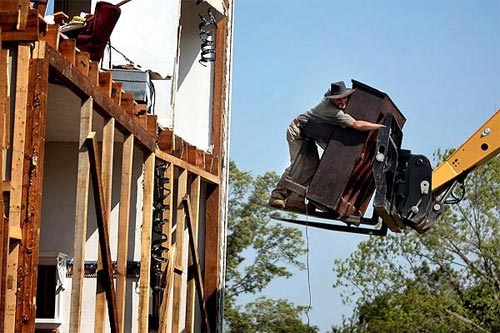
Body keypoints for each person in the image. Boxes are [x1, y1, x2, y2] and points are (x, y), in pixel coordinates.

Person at [269, 81, 384, 209]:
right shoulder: (330, 110)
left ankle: (296, 200)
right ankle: (277, 196)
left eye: (343, 98)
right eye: (337, 100)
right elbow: (356, 125)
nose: (341, 102)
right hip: (297, 131)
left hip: (309, 134)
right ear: (332, 99)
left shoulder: (339, 104)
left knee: (312, 166)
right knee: (298, 164)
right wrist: (380, 127)